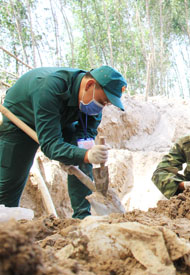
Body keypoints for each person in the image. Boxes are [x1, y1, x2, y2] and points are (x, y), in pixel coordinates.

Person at [0, 66, 127, 219]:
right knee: (8, 188)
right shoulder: (49, 88)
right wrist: (79, 154)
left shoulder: (93, 108)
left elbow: (83, 144)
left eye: (107, 103)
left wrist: (80, 155)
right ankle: (5, 224)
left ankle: (82, 217)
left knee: (83, 151)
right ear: (89, 85)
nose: (102, 106)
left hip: (60, 117)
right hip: (21, 120)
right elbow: (50, 145)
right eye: (102, 101)